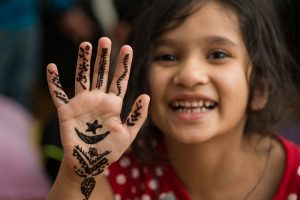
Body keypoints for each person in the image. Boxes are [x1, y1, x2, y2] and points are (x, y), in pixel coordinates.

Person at [46, 0, 300, 199]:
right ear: (143, 82)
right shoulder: (117, 173)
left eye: (218, 54)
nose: (188, 76)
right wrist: (78, 176)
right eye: (167, 57)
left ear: (259, 88)